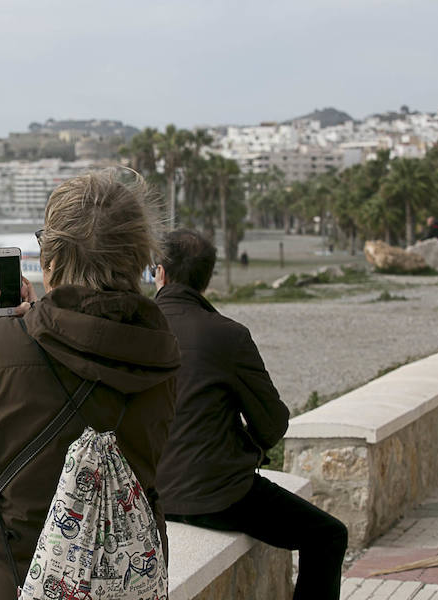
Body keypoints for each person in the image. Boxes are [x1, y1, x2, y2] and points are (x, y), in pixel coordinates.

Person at [0, 170, 180, 598]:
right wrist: (40, 316)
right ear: (137, 258)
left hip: (7, 576)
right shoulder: (160, 348)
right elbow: (94, 347)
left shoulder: (4, 345)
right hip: (121, 578)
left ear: (53, 261)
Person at [153, 229, 348, 599]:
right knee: (329, 535)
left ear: (159, 273)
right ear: (206, 278)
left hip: (151, 494)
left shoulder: (134, 330)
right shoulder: (228, 335)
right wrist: (247, 445)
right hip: (216, 496)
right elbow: (273, 423)